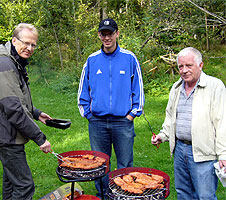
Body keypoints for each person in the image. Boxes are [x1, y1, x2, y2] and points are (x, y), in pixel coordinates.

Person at [77, 18, 144, 199]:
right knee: (100, 163)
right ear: (99, 35)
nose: (107, 37)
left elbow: (138, 87)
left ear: (117, 34)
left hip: (123, 122)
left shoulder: (129, 58)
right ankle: (104, 194)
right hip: (97, 122)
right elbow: (83, 89)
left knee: (125, 163)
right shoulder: (92, 60)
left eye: (110, 33)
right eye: (103, 34)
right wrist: (89, 114)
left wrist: (132, 114)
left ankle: (123, 193)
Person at [0, 23, 52, 200]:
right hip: (7, 135)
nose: (29, 48)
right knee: (24, 186)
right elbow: (13, 109)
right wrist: (40, 138)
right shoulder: (5, 64)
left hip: (7, 132)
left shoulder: (12, 61)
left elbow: (15, 99)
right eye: (26, 43)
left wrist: (36, 113)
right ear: (14, 40)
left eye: (33, 45)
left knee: (11, 182)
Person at [151, 47, 226, 199]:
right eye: (181, 66)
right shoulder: (176, 87)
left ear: (200, 65)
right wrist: (162, 135)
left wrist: (223, 153)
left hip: (203, 153)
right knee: (183, 194)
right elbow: (170, 117)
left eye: (189, 65)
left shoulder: (215, 86)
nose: (184, 70)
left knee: (205, 196)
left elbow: (222, 122)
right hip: (180, 150)